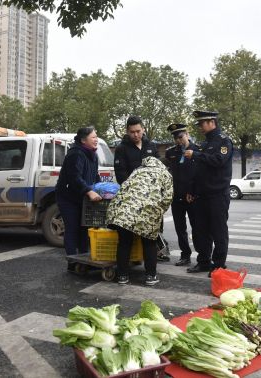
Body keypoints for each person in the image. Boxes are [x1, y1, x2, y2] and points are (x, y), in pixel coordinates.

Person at [106, 156, 173, 286]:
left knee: (124, 243)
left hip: (122, 211)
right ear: (166, 166)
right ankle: (150, 277)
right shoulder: (165, 173)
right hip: (148, 212)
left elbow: (124, 188)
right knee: (149, 243)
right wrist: (158, 212)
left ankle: (122, 277)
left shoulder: (137, 170)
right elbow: (167, 198)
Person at [113, 115, 170, 261]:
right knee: (129, 236)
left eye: (138, 131)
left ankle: (154, 258)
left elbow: (159, 169)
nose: (136, 135)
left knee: (151, 235)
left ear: (143, 129)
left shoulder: (150, 145)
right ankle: (130, 263)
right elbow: (121, 177)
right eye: (132, 132)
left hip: (152, 199)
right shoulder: (121, 149)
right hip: (132, 200)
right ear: (127, 131)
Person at [184, 110, 233, 275]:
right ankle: (203, 261)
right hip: (201, 195)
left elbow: (219, 161)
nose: (200, 127)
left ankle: (219, 266)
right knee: (201, 231)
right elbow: (197, 171)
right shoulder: (204, 145)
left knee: (219, 231)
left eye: (202, 124)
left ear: (212, 122)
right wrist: (191, 189)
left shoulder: (224, 142)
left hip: (218, 195)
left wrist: (197, 155)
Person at [55, 127, 103, 272]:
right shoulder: (76, 154)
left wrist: (101, 189)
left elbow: (95, 176)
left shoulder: (93, 155)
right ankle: (72, 262)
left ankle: (84, 260)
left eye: (96, 137)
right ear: (83, 140)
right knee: (72, 228)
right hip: (68, 197)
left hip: (82, 197)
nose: (96, 139)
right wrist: (89, 191)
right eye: (93, 137)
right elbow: (74, 177)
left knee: (84, 229)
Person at [164, 123, 199, 266]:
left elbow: (199, 175)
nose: (178, 140)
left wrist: (194, 192)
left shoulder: (197, 150)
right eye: (175, 138)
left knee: (197, 227)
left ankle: (202, 256)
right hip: (177, 196)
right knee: (180, 228)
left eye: (180, 136)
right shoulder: (171, 152)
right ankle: (185, 255)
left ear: (187, 134)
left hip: (192, 196)